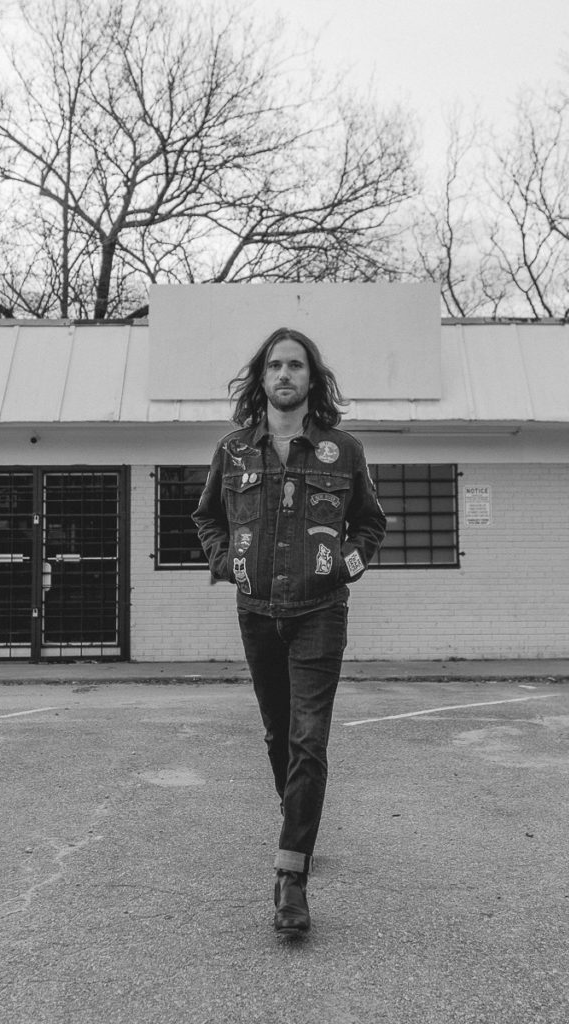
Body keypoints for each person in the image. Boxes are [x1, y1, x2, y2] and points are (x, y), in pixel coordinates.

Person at [192, 326, 387, 936]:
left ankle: (289, 877)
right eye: (274, 365)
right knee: (278, 733)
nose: (284, 375)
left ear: (312, 378)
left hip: (320, 612)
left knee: (308, 739)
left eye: (295, 366)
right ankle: (296, 818)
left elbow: (370, 525)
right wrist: (227, 564)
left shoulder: (343, 451)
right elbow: (206, 518)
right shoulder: (234, 451)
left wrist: (346, 564)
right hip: (257, 612)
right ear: (262, 378)